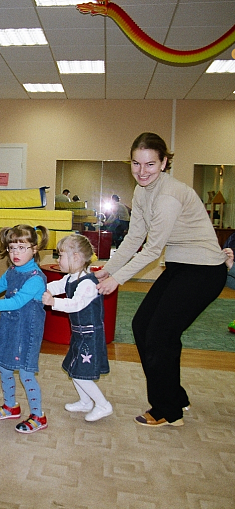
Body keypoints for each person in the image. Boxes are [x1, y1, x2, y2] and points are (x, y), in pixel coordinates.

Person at [96, 132, 227, 427]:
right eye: (136, 164)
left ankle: (168, 410)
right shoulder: (143, 191)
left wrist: (116, 280)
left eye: (150, 165)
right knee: (142, 325)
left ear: (164, 162)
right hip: (181, 267)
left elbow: (153, 250)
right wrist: (108, 267)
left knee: (159, 335)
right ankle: (175, 396)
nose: (142, 172)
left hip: (204, 270)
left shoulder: (168, 195)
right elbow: (133, 238)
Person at [0, 225, 49, 433]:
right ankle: (11, 406)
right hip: (10, 328)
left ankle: (38, 415)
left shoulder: (35, 278)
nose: (15, 253)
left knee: (26, 373)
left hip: (27, 333)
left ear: (34, 249)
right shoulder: (12, 271)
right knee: (4, 367)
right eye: (11, 248)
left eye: (22, 247)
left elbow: (17, 302)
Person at [42, 234, 112, 422]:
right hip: (80, 334)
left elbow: (75, 305)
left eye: (61, 256)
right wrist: (41, 289)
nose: (58, 260)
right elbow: (57, 286)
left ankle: (103, 405)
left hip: (90, 336)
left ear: (75, 258)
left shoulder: (88, 283)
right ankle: (85, 402)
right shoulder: (72, 278)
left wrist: (53, 302)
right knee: (73, 368)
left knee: (82, 374)